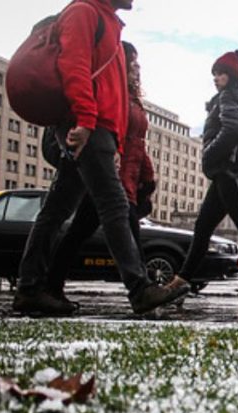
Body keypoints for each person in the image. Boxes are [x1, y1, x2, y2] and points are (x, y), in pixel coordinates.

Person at [13, 0, 188, 315]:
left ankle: (30, 289)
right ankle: (140, 288)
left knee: (55, 212)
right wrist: (85, 120)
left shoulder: (107, 22)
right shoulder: (85, 12)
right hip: (91, 126)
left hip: (98, 128)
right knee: (114, 206)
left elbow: (113, 93)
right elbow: (74, 65)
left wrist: (116, 144)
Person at [166, 50, 238, 309]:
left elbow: (232, 128)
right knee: (203, 228)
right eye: (215, 74)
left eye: (220, 73)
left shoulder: (229, 97)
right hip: (229, 175)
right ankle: (181, 281)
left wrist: (209, 154)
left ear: (230, 76)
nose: (216, 78)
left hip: (228, 175)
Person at [45, 41, 156, 302]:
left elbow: (137, 144)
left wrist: (147, 177)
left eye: (138, 63)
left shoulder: (133, 99)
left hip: (125, 177)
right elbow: (116, 139)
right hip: (110, 175)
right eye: (131, 62)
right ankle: (143, 290)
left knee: (78, 233)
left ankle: (51, 285)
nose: (136, 68)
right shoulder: (114, 98)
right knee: (125, 228)